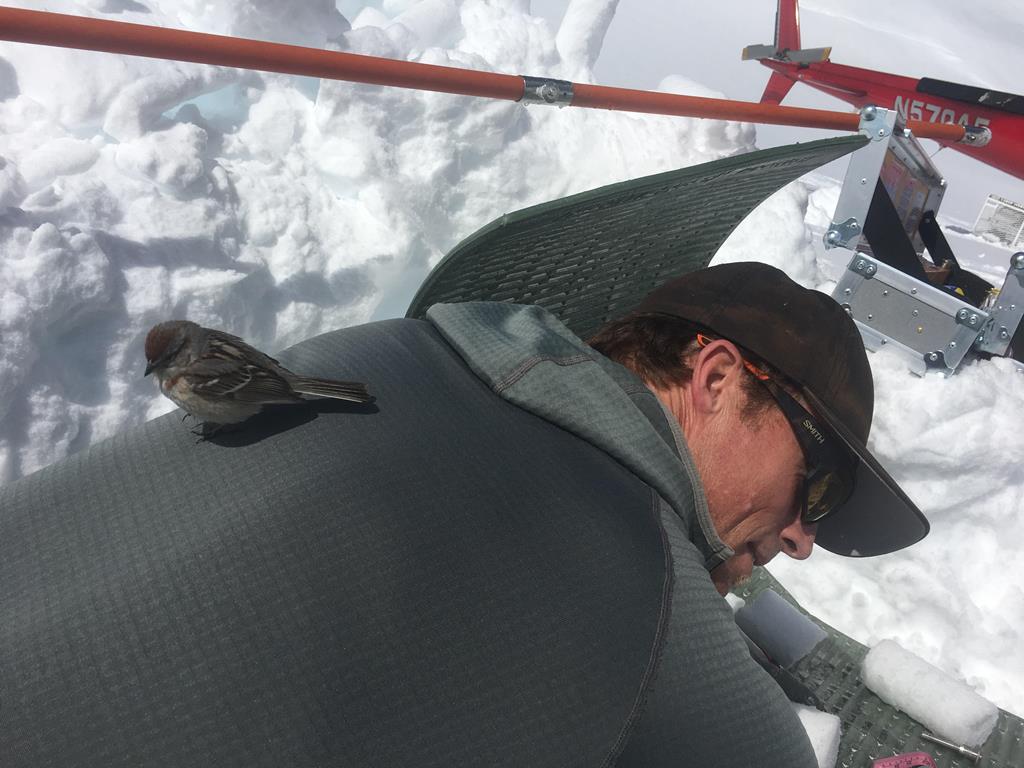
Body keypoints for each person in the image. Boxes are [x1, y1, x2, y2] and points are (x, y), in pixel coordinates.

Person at [0, 262, 928, 767]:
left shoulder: (373, 352)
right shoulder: (647, 610)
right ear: (718, 379)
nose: (805, 541)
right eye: (818, 487)